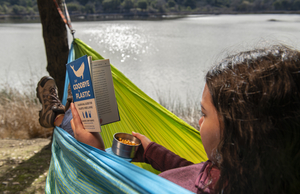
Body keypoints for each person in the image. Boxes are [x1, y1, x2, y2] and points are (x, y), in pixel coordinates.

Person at [37, 45, 300, 194]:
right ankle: (61, 112)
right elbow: (195, 169)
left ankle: (59, 115)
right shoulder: (238, 171)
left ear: (241, 131)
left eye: (204, 113)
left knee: (74, 133)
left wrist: (95, 157)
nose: (199, 122)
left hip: (115, 180)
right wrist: (152, 151)